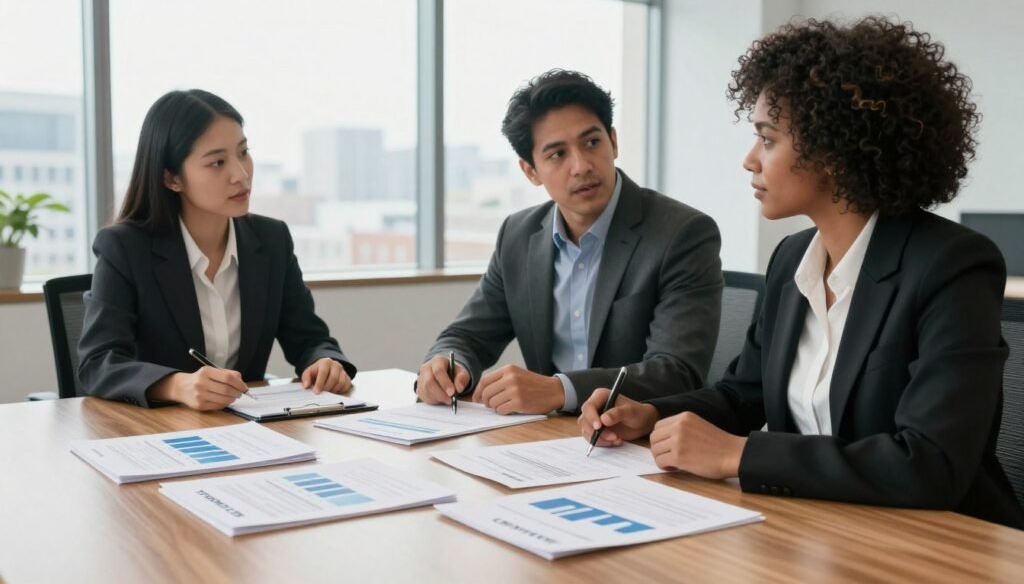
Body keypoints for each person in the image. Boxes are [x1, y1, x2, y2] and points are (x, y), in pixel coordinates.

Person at [579, 17, 1024, 528]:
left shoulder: (952, 266)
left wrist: (739, 456)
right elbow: (741, 395)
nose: (750, 160)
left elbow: (929, 464)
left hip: (940, 545)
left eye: (767, 139)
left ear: (832, 149)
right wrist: (651, 412)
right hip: (819, 528)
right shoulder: (792, 258)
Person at [417, 69, 723, 415]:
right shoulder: (518, 236)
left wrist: (559, 390)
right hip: (549, 440)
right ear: (530, 171)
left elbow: (677, 371)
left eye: (592, 142)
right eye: (557, 154)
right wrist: (444, 363)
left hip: (640, 442)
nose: (581, 166)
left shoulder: (681, 233)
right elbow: (469, 336)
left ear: (614, 142)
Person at [78, 89, 356, 410]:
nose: (240, 174)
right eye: (217, 162)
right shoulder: (125, 247)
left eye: (243, 152)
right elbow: (98, 362)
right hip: (156, 431)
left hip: (247, 428)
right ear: (171, 179)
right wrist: (177, 385)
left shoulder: (271, 239)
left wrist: (324, 361)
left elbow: (309, 338)